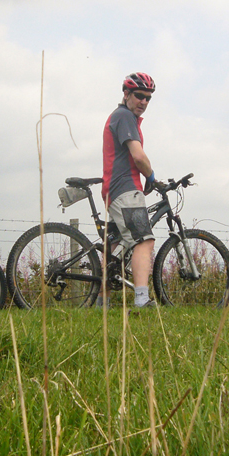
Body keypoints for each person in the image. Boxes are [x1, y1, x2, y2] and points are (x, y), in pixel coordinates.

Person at [102, 72, 158, 308]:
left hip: (113, 189)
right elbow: (138, 156)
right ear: (126, 94)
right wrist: (152, 176)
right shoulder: (124, 116)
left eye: (148, 98)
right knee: (143, 242)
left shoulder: (121, 116)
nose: (144, 102)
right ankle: (142, 300)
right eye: (139, 96)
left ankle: (101, 302)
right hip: (126, 188)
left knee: (114, 246)